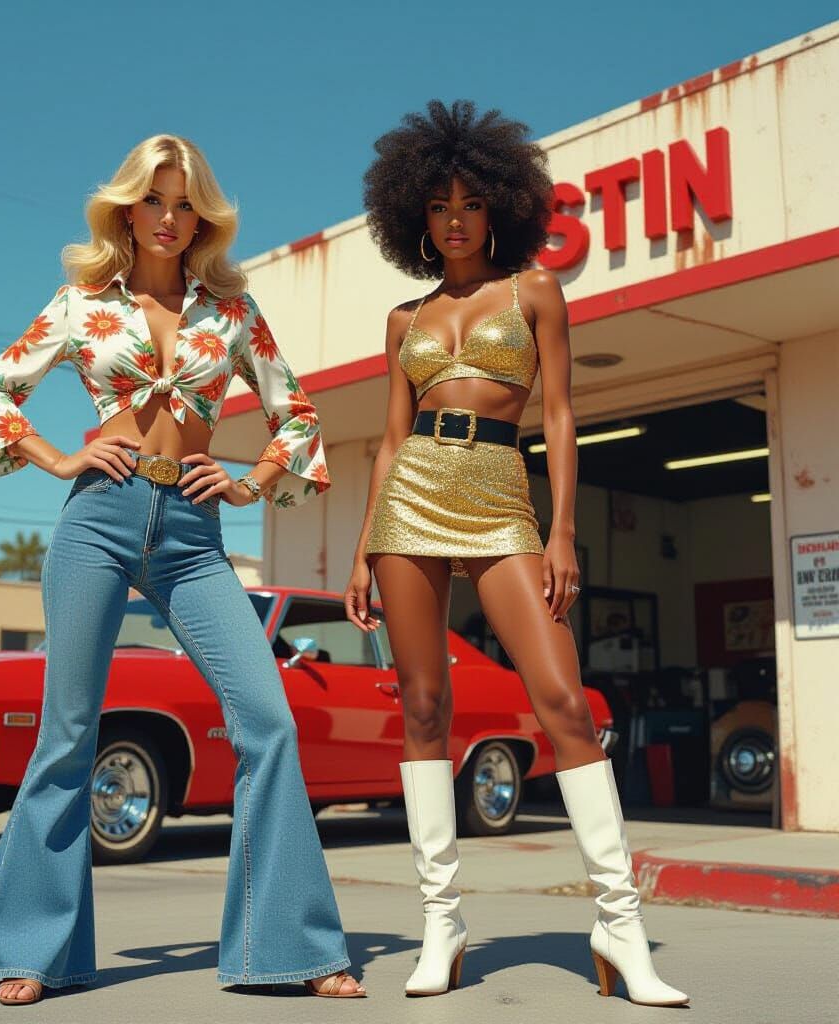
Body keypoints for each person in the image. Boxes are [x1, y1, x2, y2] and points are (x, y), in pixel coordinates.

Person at [0, 134, 364, 1004]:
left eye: (185, 205)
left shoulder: (234, 311)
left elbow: (296, 410)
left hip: (193, 532)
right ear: (127, 211)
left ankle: (287, 945)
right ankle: (33, 949)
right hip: (97, 521)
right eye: (154, 203)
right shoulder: (80, 302)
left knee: (268, 720)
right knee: (69, 732)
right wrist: (60, 458)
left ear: (201, 217)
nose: (170, 219)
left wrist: (251, 480)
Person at [345, 101, 687, 1006]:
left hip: (501, 497)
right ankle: (441, 925)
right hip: (411, 494)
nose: (455, 219)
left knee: (562, 701)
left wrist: (562, 529)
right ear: (414, 215)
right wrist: (360, 547)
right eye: (437, 206)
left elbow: (563, 415)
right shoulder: (402, 317)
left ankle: (620, 927)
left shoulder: (535, 291)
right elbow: (387, 440)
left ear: (498, 205)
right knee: (423, 704)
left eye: (469, 202)